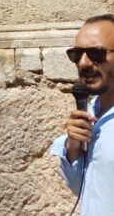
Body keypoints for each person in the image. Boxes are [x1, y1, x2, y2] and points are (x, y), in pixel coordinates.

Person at [50, 14, 114, 216]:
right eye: (77, 54)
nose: (83, 63)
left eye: (96, 53)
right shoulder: (91, 110)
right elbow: (85, 190)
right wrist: (73, 148)